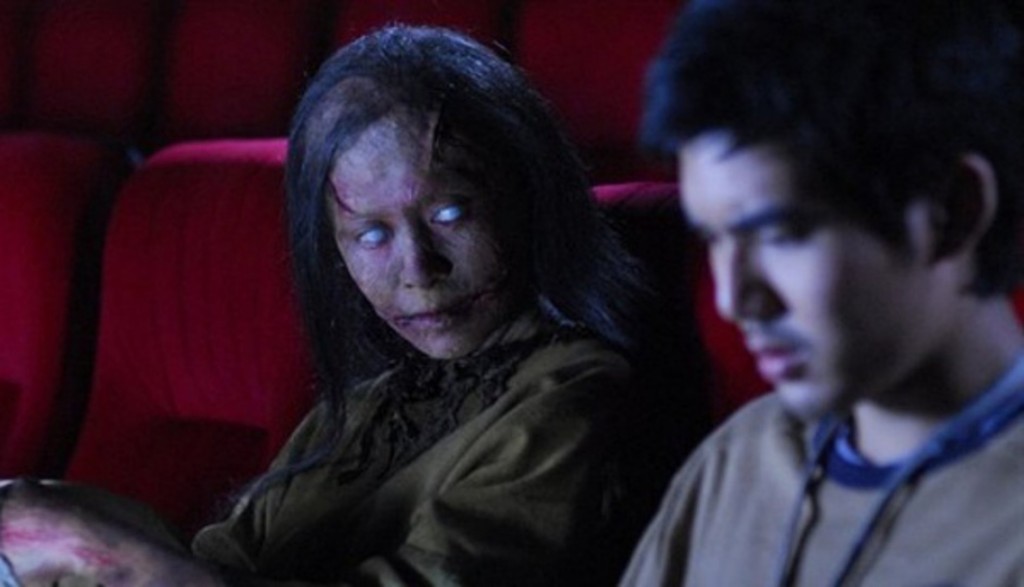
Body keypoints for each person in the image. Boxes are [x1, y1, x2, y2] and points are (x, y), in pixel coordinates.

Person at [0, 25, 652, 586]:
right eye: (370, 235)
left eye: (451, 214)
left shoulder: (572, 394)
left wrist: (122, 560)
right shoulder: (372, 401)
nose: (417, 270)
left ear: (526, 199)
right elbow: (230, 559)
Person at [620, 0, 1024, 585]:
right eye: (714, 239)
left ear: (952, 211)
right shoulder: (738, 461)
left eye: (782, 235)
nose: (735, 301)